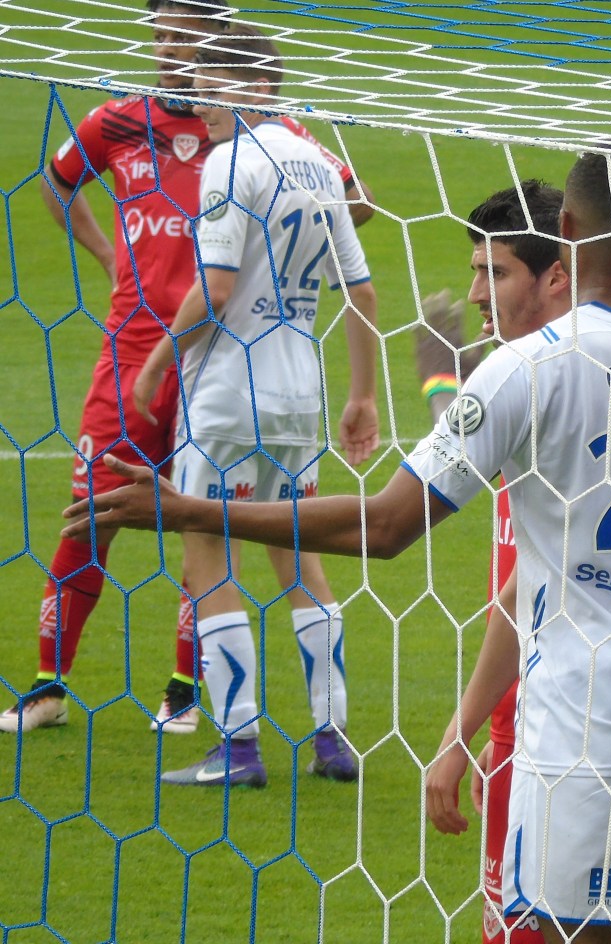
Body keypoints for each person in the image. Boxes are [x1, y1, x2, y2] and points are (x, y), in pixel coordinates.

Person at [65, 152, 611, 943]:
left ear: (566, 231)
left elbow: (386, 527)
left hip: (588, 721)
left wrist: (193, 509)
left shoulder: (524, 368)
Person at [0, 0, 373, 738]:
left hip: (222, 355)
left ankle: (187, 692)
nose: (171, 49)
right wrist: (110, 255)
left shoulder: (260, 139)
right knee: (95, 509)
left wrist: (273, 243)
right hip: (140, 350)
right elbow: (57, 181)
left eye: (187, 37)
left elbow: (351, 201)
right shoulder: (118, 120)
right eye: (162, 35)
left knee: (205, 523)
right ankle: (48, 683)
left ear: (221, 44)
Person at [128, 27, 379, 786]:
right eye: (197, 90)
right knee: (300, 559)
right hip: (300, 396)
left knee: (206, 554)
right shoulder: (320, 164)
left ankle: (238, 749)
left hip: (227, 396)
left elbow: (216, 290)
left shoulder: (229, 162)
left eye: (214, 88)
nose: (201, 104)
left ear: (260, 86)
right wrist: (361, 395)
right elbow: (362, 293)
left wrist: (156, 362)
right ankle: (332, 740)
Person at [421, 179, 570, 944]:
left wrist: (457, 733)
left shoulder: (558, 381)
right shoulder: (529, 375)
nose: (478, 292)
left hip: (558, 725)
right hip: (527, 717)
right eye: (475, 271)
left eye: (495, 272)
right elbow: (472, 447)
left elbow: (397, 518)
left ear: (557, 275)